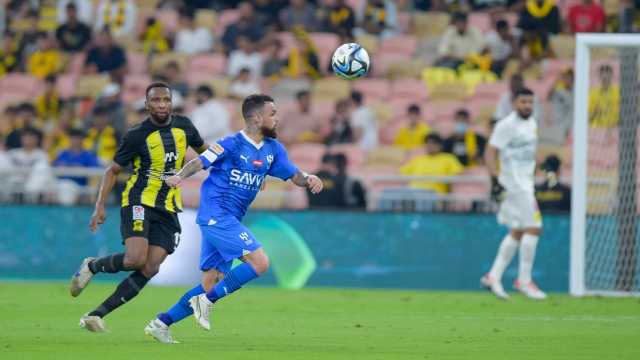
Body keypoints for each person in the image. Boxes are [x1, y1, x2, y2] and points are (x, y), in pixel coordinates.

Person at [144, 94, 324, 343]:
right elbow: (200, 161)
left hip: (230, 219)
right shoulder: (231, 144)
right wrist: (179, 176)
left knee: (211, 283)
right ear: (256, 117)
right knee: (259, 263)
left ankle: (161, 323)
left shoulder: (273, 150)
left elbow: (294, 175)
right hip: (215, 215)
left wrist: (309, 178)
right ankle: (205, 303)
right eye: (273, 113)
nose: (277, 118)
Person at [69, 83, 210, 333]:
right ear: (147, 105)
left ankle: (96, 314)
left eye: (166, 99)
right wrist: (99, 205)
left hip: (168, 206)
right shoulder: (136, 135)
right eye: (156, 100)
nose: (162, 105)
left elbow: (206, 154)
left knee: (151, 267)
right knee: (135, 259)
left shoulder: (184, 127)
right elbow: (112, 170)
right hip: (139, 200)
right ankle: (92, 265)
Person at [481, 87, 547, 301]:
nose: (527, 106)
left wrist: (543, 166)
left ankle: (493, 275)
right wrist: (494, 179)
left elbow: (528, 153)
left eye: (530, 102)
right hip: (513, 184)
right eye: (523, 102)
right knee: (535, 227)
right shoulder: (506, 125)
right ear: (514, 103)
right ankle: (524, 280)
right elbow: (490, 152)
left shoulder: (532, 123)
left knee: (518, 230)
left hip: (526, 181)